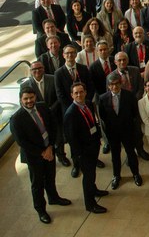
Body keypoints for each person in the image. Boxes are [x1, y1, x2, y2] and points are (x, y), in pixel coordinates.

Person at [10, 87, 72, 224]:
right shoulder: (16, 119)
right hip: (34, 156)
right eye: (26, 99)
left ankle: (53, 197)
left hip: (48, 149)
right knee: (37, 184)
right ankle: (41, 210)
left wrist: (50, 147)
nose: (29, 101)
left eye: (31, 98)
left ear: (35, 97)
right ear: (21, 100)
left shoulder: (42, 107)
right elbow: (22, 142)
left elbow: (53, 126)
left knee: (50, 176)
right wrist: (42, 152)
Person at [63, 82, 108, 214]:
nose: (79, 95)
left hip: (93, 145)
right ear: (72, 95)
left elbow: (94, 121)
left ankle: (94, 190)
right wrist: (79, 155)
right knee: (87, 177)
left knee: (92, 173)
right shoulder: (70, 114)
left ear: (85, 92)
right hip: (83, 152)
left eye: (81, 92)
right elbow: (72, 139)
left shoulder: (88, 103)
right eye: (76, 93)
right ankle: (90, 204)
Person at [97, 73, 143, 190]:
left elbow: (134, 113)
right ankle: (116, 176)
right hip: (112, 133)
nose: (114, 87)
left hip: (127, 131)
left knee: (131, 153)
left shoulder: (129, 96)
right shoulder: (102, 98)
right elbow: (102, 117)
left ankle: (136, 174)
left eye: (117, 83)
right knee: (115, 155)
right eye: (111, 84)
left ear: (121, 83)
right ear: (108, 86)